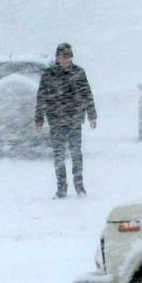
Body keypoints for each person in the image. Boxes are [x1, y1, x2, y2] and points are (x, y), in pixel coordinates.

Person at [34, 42, 97, 197]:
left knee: (76, 153)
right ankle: (61, 188)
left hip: (75, 119)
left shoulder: (79, 73)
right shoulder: (49, 75)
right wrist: (39, 118)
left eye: (69, 56)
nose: (67, 59)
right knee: (59, 155)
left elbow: (87, 94)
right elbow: (41, 97)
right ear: (57, 57)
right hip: (56, 120)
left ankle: (79, 186)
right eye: (64, 56)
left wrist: (92, 115)